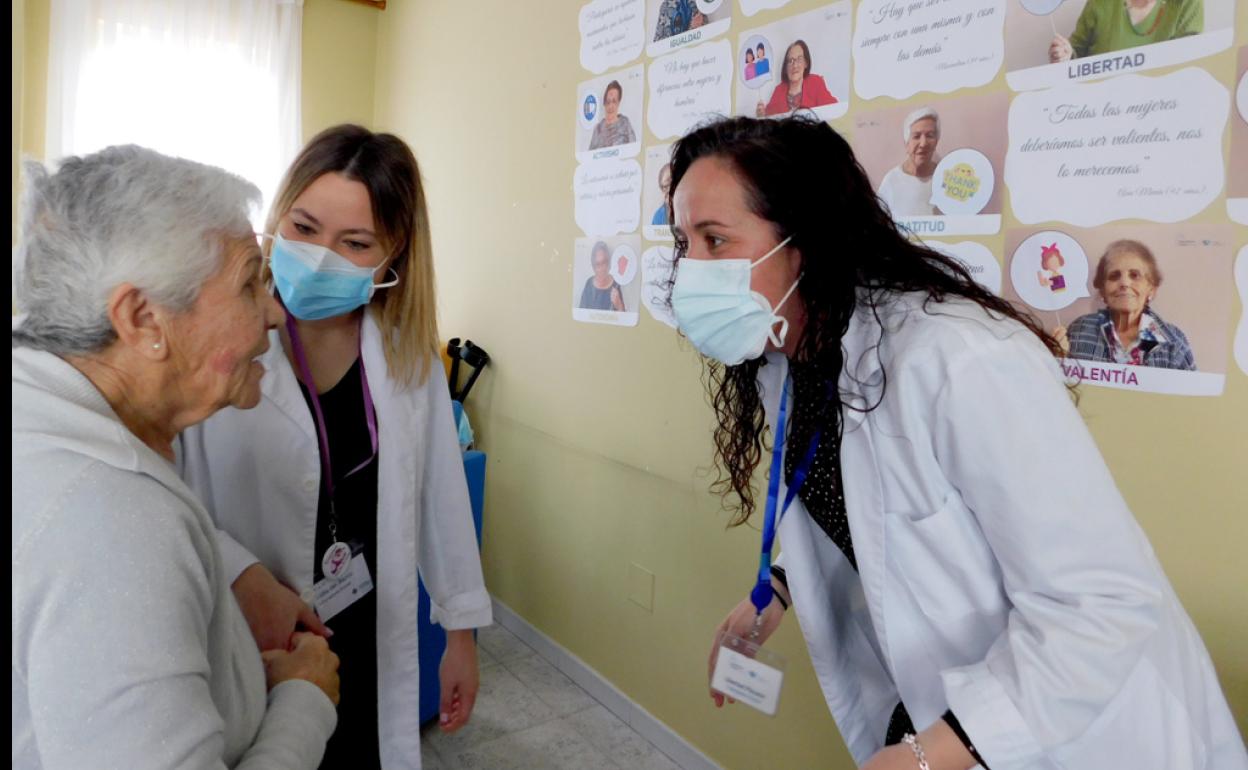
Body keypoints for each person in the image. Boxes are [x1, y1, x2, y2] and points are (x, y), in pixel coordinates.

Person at [663, 115, 1246, 769]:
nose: (691, 269)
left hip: (1083, 725)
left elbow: (1102, 604)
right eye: (684, 241)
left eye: (716, 240)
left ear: (807, 241)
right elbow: (869, 512)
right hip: (949, 714)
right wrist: (776, 590)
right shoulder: (790, 357)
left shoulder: (958, 358)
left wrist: (927, 754)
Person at [12, 145, 341, 769]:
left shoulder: (44, 420)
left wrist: (231, 654)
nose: (274, 311)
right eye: (249, 282)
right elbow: (106, 563)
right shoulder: (110, 531)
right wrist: (304, 701)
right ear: (143, 320)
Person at [177, 125, 493, 770]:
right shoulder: (217, 343)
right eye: (303, 227)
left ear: (392, 256)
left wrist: (460, 634)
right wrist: (242, 572)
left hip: (368, 624)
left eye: (355, 243)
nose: (321, 255)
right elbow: (166, 495)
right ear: (277, 216)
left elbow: (441, 495)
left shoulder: (406, 356)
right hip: (254, 624)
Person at [1054, 239, 1196, 370]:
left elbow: (1191, 395)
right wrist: (1057, 359)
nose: (1124, 283)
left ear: (1151, 288)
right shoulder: (1080, 330)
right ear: (1103, 290)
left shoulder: (1173, 341)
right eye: (1114, 276)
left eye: (1134, 275)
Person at [1049, 0, 1203, 62]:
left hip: (1163, 114)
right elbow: (1075, 54)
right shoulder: (1099, 3)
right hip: (1100, 113)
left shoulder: (1186, 2)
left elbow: (1193, 63)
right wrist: (1064, 55)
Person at [876, 106, 941, 218]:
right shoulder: (892, 180)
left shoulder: (946, 177)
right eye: (916, 136)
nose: (923, 143)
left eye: (930, 136)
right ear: (907, 143)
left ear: (936, 141)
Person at [757, 40, 838, 117]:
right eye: (790, 61)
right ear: (785, 67)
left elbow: (833, 110)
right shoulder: (778, 91)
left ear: (806, 63)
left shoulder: (816, 83)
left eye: (799, 59)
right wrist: (762, 116)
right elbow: (769, 120)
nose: (795, 65)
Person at [588, 80, 638, 150]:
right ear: (604, 103)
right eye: (608, 102)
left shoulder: (625, 123)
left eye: (614, 101)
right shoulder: (597, 129)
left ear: (618, 103)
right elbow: (590, 155)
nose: (610, 106)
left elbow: (634, 148)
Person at [579, 240, 626, 311]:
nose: (602, 269)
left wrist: (619, 305)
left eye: (604, 262)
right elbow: (581, 313)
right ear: (593, 266)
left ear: (608, 262)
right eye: (598, 264)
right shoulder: (589, 283)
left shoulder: (616, 284)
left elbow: (623, 318)